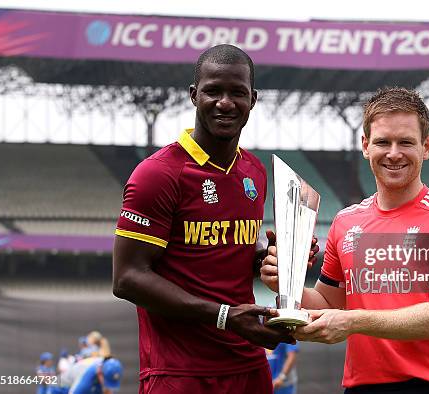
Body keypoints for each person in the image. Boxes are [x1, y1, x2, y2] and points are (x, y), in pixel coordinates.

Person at [262, 87, 429, 393]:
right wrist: (287, 282)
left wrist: (352, 322)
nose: (393, 153)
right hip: (361, 387)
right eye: (382, 142)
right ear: (365, 146)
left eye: (406, 142)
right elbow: (328, 303)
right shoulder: (345, 221)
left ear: (427, 146)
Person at [112, 44, 302, 394]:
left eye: (237, 92)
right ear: (193, 95)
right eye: (213, 91)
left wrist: (272, 258)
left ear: (253, 99)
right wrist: (225, 317)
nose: (225, 102)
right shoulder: (158, 174)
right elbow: (127, 278)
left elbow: (228, 255)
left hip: (248, 366)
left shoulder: (254, 172)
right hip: (179, 372)